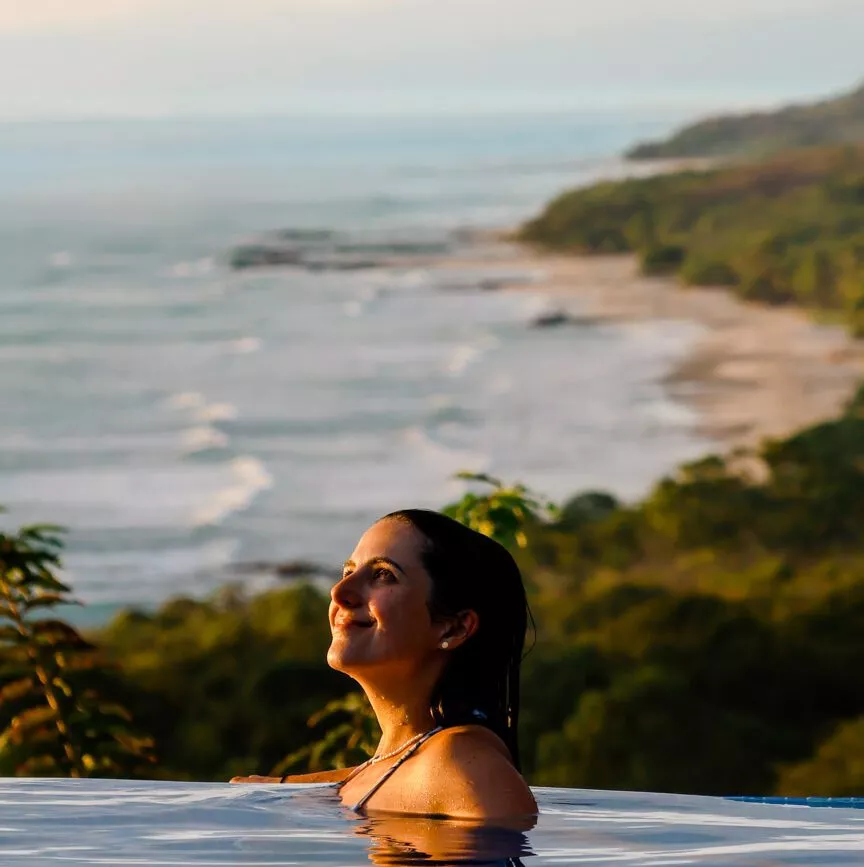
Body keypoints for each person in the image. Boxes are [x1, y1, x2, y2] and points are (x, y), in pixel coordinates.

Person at [232, 509, 538, 820]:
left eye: (383, 574)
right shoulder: (403, 761)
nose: (339, 593)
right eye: (348, 571)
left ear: (453, 628)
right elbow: (376, 777)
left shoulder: (462, 764)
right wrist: (272, 786)